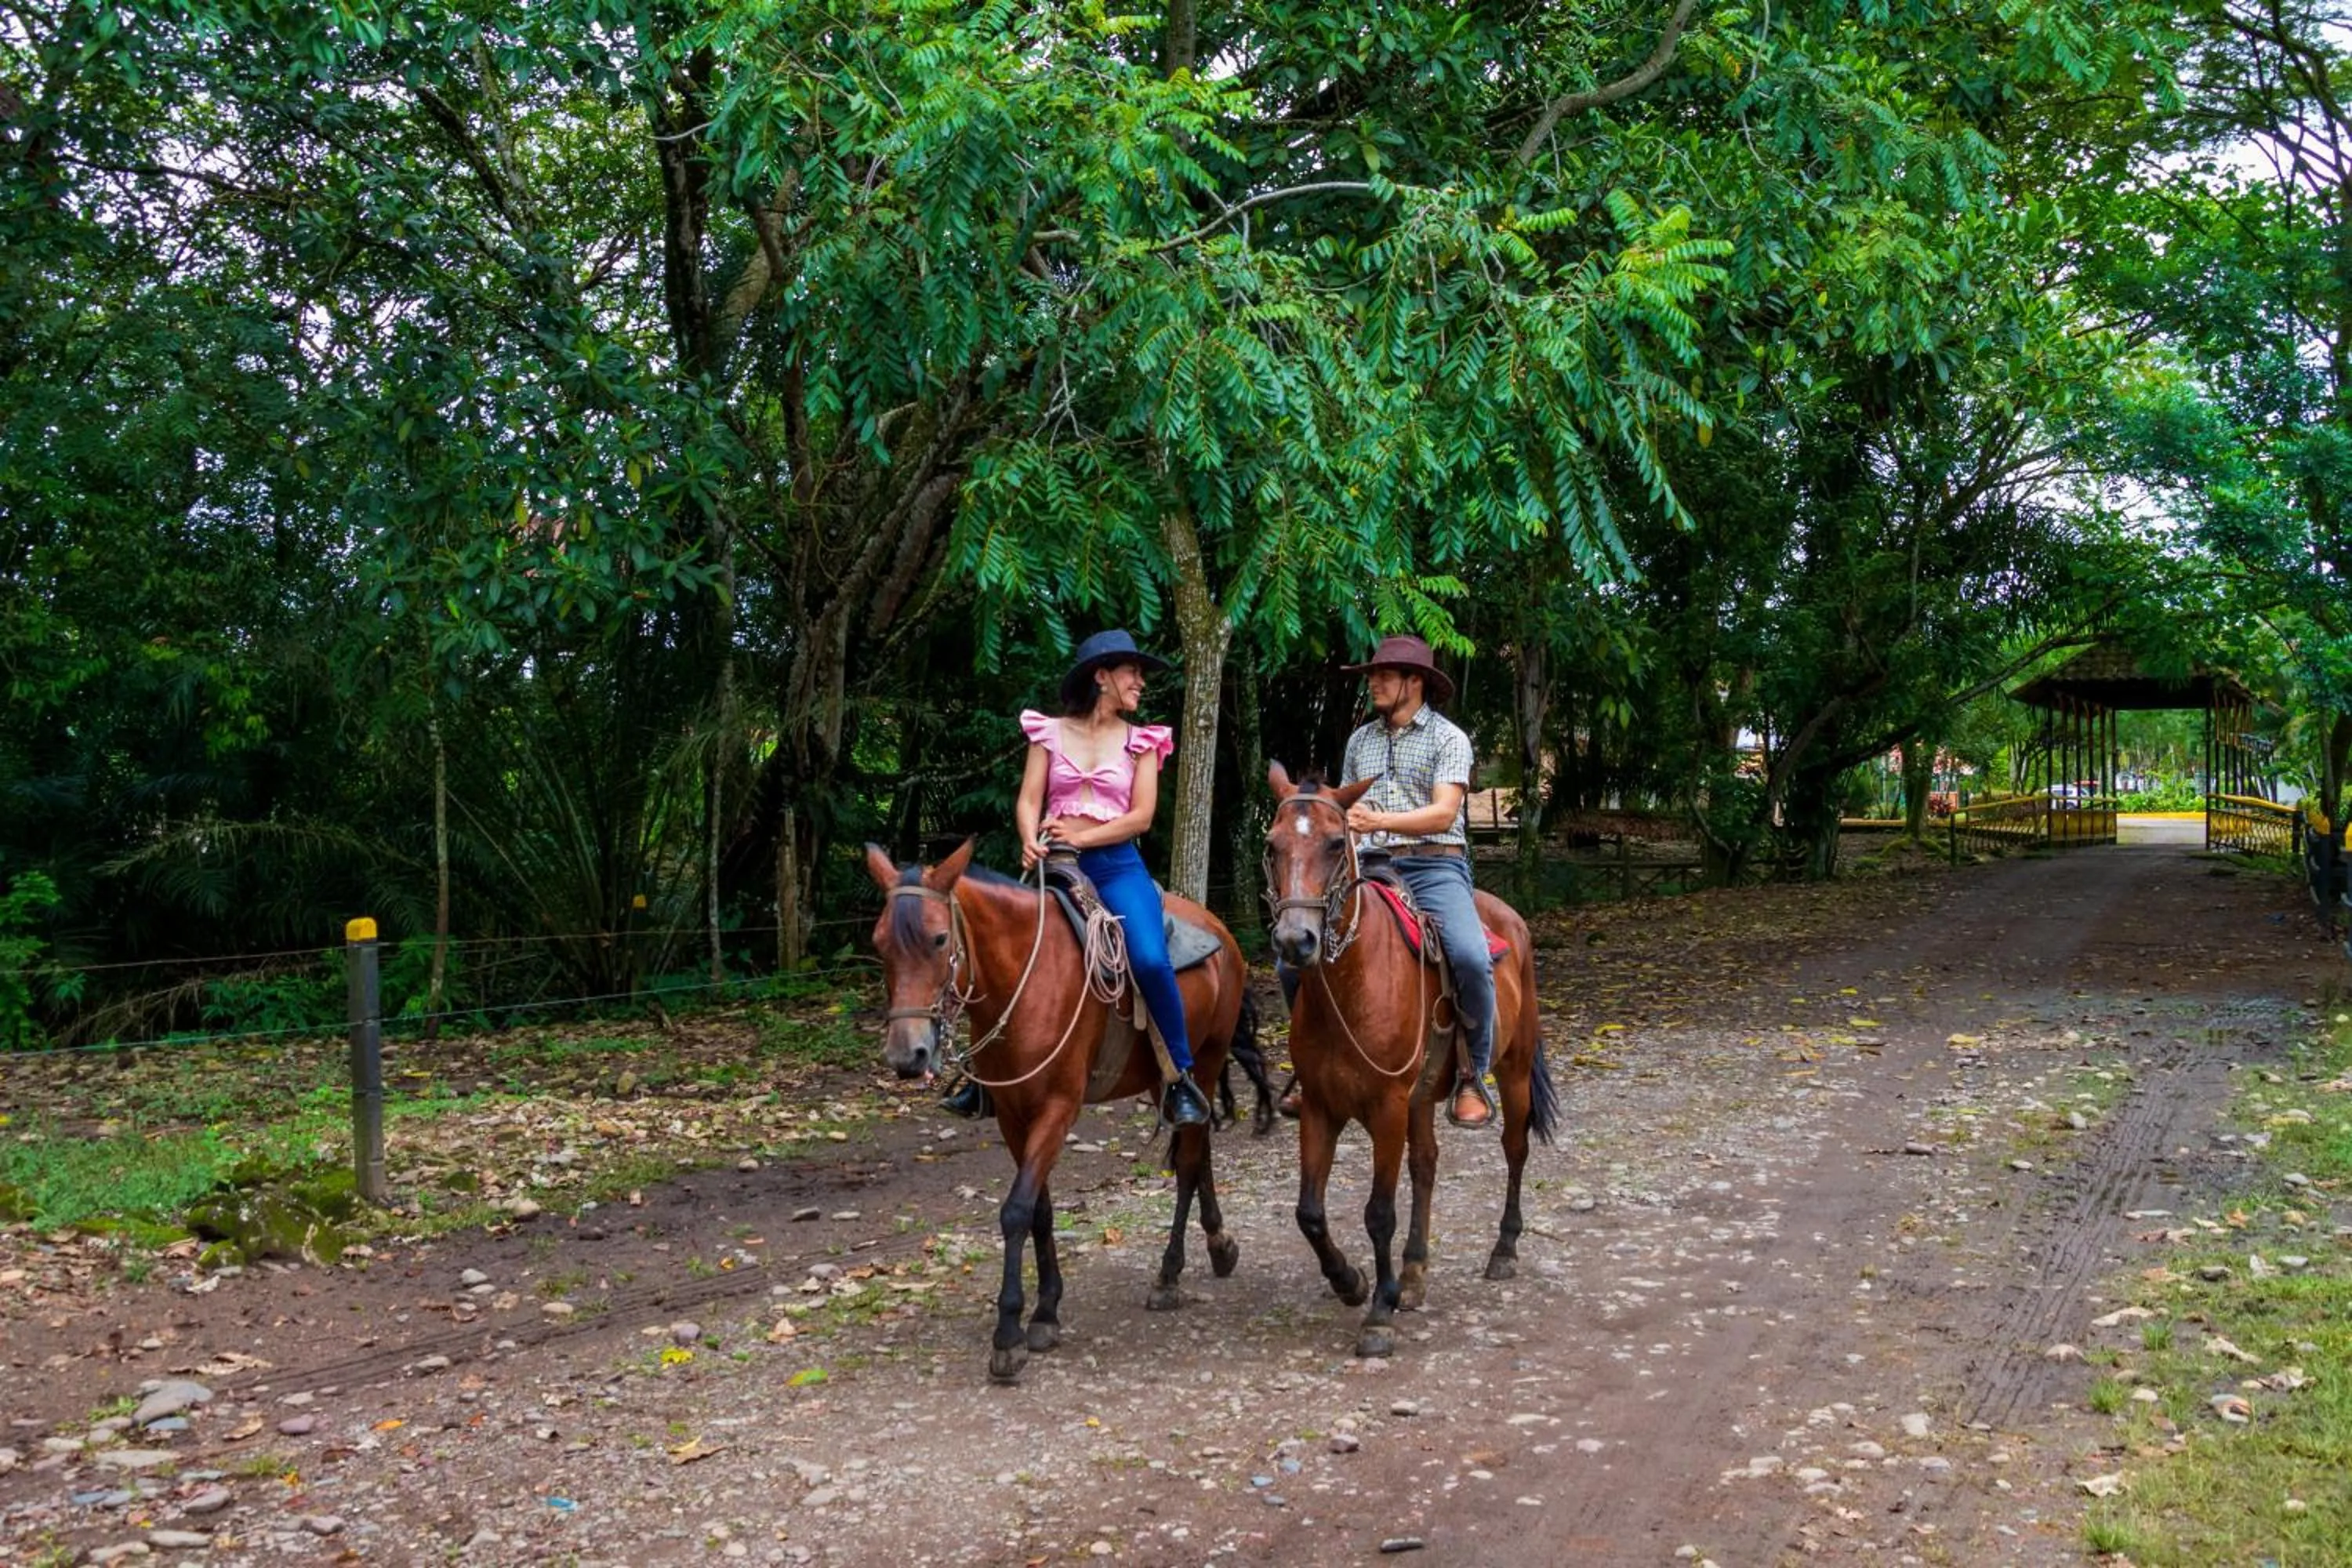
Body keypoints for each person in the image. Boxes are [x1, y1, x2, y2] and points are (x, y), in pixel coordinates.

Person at [994, 629, 1210, 1129]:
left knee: (1152, 960)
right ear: (1102, 676)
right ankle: (985, 1077)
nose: (1140, 682)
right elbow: (1029, 799)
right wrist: (1030, 837)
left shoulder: (1143, 742)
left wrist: (1082, 837)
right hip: (1054, 866)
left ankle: (1178, 1076)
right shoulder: (1048, 732)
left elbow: (1141, 818)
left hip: (1116, 867)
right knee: (1002, 953)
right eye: (1132, 672)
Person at [1338, 633, 1497, 1128]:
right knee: (1296, 951)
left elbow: (1443, 813)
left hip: (1433, 866)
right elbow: (1346, 811)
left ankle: (1473, 1072)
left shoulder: (1449, 738)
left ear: (1415, 682)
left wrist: (1378, 823)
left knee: (1470, 956)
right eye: (1372, 676)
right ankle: (1314, 1069)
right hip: (1368, 868)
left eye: (1384, 675)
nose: (1374, 684)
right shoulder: (1359, 740)